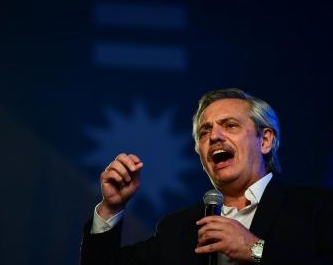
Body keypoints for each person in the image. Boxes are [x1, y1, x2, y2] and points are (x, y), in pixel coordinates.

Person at [80, 88, 332, 265]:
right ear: (200, 154)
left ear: (265, 140)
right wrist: (111, 208)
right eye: (205, 131)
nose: (214, 137)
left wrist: (257, 251)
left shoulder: (316, 209)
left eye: (230, 125)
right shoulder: (177, 229)